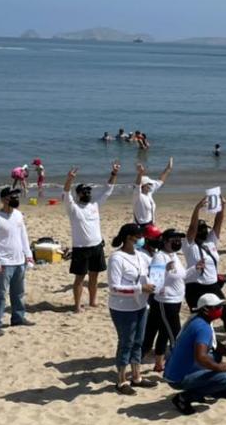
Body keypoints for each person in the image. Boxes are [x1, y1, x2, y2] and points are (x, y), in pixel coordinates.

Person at [107, 223, 157, 395]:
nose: (141, 240)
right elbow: (114, 287)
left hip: (140, 305)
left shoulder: (141, 256)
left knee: (138, 342)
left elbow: (155, 268)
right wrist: (139, 289)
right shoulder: (116, 258)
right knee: (126, 342)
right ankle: (121, 381)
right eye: (138, 237)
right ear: (129, 237)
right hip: (122, 307)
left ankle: (137, 376)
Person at [63, 162, 119, 312]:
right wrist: (69, 179)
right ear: (78, 194)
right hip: (81, 249)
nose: (87, 193)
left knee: (94, 276)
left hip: (97, 246)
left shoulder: (94, 206)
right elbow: (66, 193)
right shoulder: (73, 208)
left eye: (88, 191)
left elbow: (108, 190)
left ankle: (93, 301)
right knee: (80, 278)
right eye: (83, 192)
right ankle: (77, 306)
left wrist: (113, 173)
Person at [164, 294, 226, 415]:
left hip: (172, 372)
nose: (220, 309)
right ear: (206, 310)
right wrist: (220, 367)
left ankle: (197, 391)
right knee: (224, 379)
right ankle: (184, 398)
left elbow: (214, 344)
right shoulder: (203, 328)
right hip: (178, 379)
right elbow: (200, 357)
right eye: (216, 307)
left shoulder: (197, 320)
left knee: (216, 357)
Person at [0, 187, 33, 336]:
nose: (16, 198)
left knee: (18, 293)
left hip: (19, 261)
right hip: (4, 263)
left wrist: (29, 256)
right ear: (4, 199)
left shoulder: (18, 215)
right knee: (0, 294)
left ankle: (18, 318)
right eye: (12, 196)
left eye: (17, 196)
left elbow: (23, 236)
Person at [143, 228, 190, 373]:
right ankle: (178, 366)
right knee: (175, 334)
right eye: (174, 240)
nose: (177, 242)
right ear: (165, 242)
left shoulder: (174, 255)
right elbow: (154, 283)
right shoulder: (159, 257)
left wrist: (196, 269)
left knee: (163, 332)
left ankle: (158, 364)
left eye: (179, 240)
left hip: (176, 301)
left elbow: (182, 275)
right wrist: (165, 270)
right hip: (165, 302)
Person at [183, 195, 226, 328]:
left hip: (212, 285)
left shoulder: (211, 241)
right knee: (198, 318)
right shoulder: (189, 245)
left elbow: (218, 222)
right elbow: (192, 228)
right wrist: (197, 208)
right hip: (195, 286)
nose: (203, 231)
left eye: (205, 229)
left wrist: (222, 206)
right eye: (200, 229)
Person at [132, 159, 173, 227]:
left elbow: (160, 181)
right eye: (149, 184)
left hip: (151, 224)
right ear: (143, 186)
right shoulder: (138, 195)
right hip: (140, 226)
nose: (151, 186)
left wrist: (168, 168)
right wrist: (140, 173)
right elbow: (137, 186)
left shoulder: (149, 193)